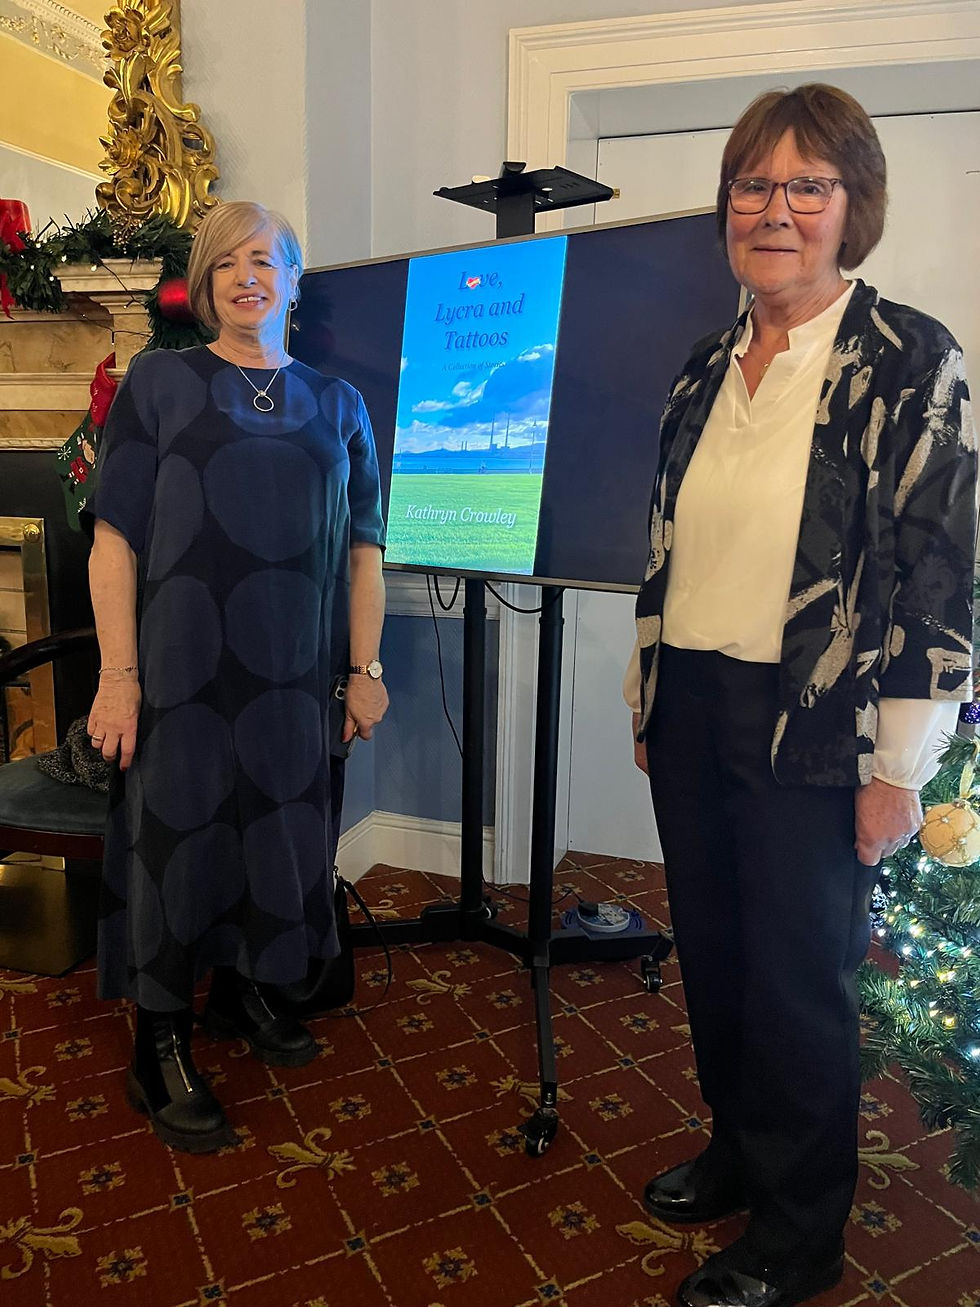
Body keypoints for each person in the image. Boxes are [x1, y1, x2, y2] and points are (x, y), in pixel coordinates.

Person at [624, 85, 976, 1307]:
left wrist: (899, 768)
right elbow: (667, 544)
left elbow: (937, 575)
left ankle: (797, 1229)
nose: (773, 210)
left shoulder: (908, 358)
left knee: (794, 975)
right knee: (715, 953)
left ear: (849, 206)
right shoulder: (702, 366)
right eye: (752, 185)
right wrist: (649, 692)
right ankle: (738, 1145)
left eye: (805, 186)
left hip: (817, 722)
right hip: (693, 702)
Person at [85, 201, 388, 1153]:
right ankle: (158, 1043)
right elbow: (112, 538)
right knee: (177, 844)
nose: (245, 277)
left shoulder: (340, 406)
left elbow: (366, 554)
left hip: (295, 679)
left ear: (295, 279)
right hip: (179, 674)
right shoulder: (160, 383)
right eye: (225, 263)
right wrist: (117, 676)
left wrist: (365, 669)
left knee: (279, 836)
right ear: (204, 285)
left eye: (264, 260)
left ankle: (242, 992)